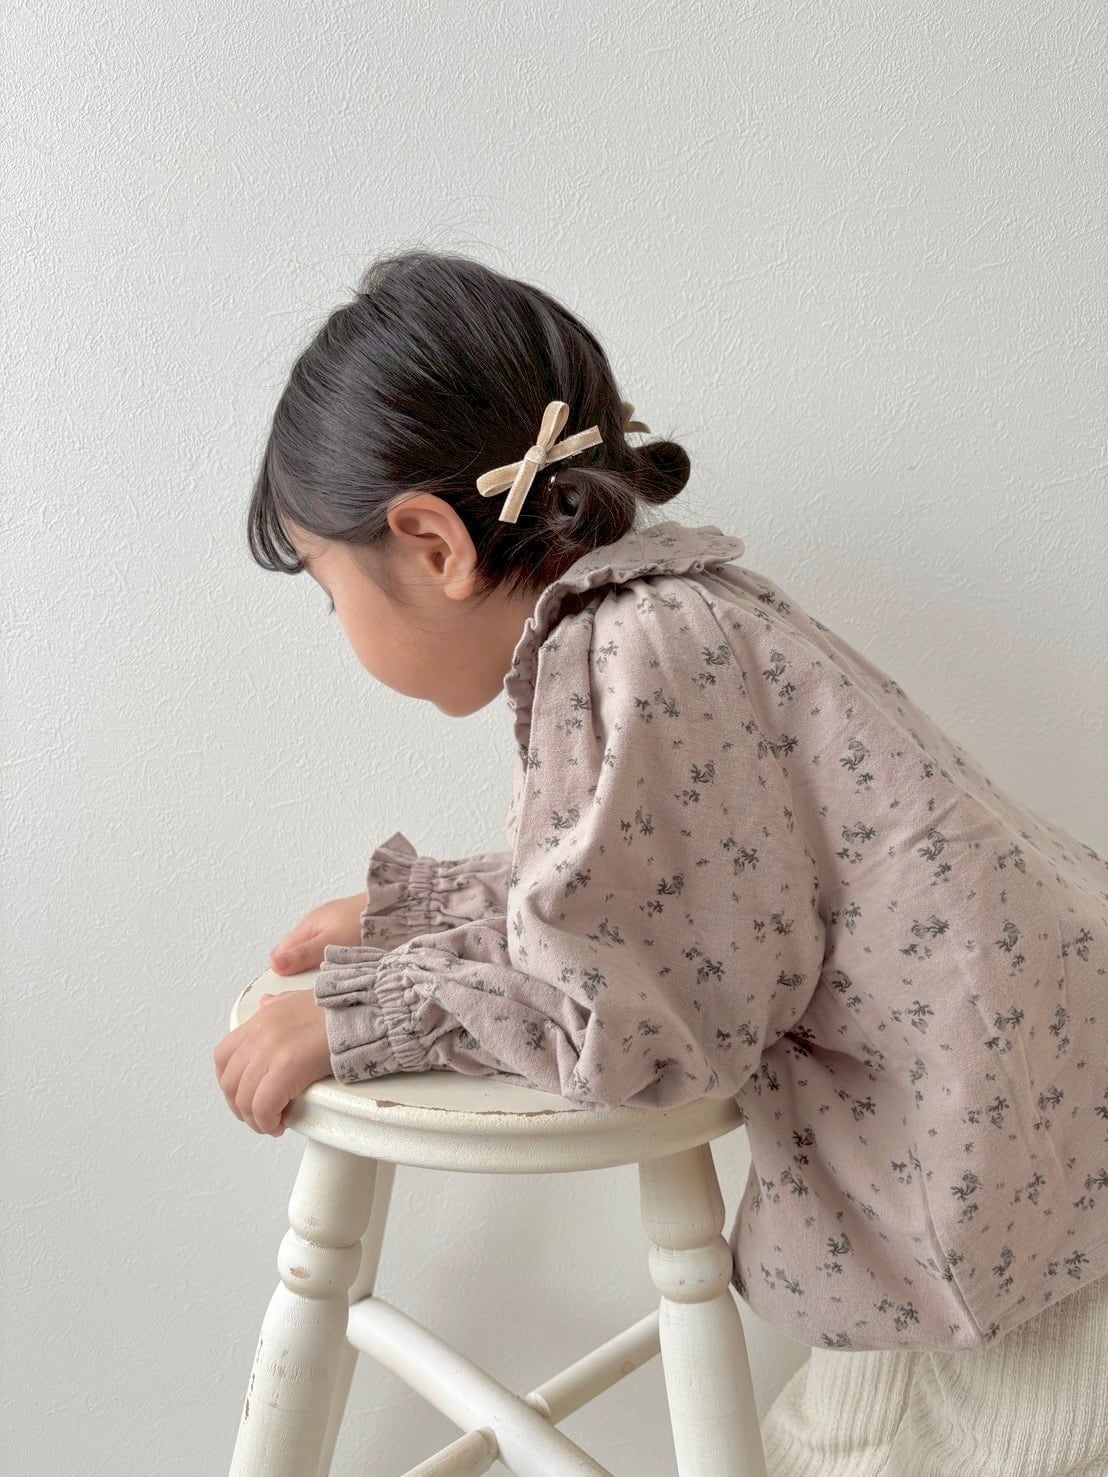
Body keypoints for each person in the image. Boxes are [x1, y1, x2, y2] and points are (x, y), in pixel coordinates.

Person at [212, 248, 1108, 1473]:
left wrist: (378, 1015)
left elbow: (638, 1017)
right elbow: (638, 883)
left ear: (430, 543)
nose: (338, 625)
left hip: (1024, 1160)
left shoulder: (632, 655)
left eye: (330, 591)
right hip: (991, 1106)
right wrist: (420, 911)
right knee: (838, 1439)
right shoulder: (665, 611)